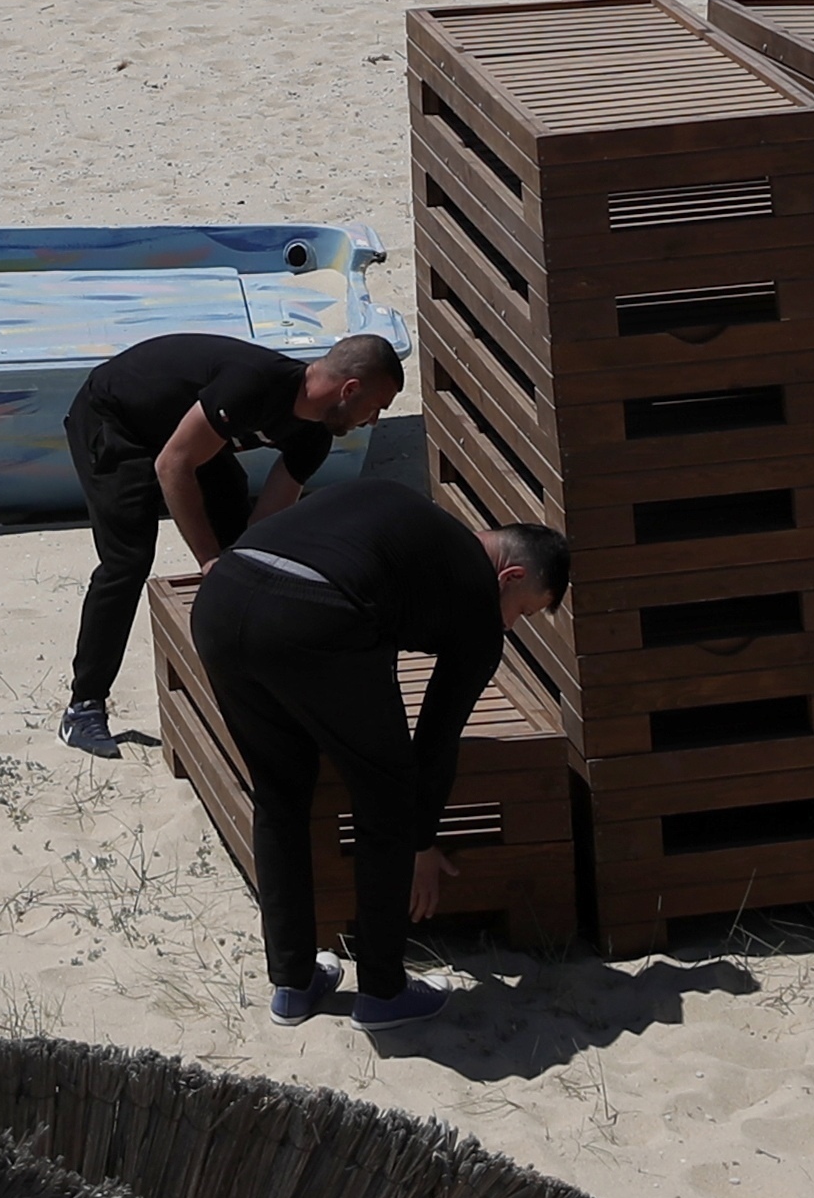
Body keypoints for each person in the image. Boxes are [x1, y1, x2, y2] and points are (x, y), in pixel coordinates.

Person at [187, 474, 566, 1030]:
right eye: (523, 611)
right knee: (386, 795)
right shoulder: (478, 604)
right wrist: (421, 840)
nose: (511, 625)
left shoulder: (401, 509)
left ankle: (292, 984)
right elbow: (436, 738)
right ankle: (384, 994)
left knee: (280, 791)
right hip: (314, 614)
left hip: (222, 599)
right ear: (508, 577)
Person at [54, 328, 401, 758]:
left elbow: (264, 524)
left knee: (243, 557)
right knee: (128, 559)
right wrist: (208, 560)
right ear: (349, 389)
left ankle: (255, 690)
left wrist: (242, 565)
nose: (373, 421)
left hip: (180, 435)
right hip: (115, 417)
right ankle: (84, 707)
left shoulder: (313, 436)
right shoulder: (253, 384)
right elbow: (173, 465)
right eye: (375, 407)